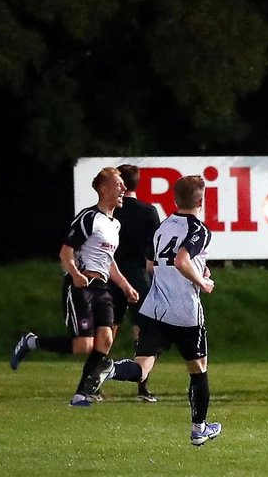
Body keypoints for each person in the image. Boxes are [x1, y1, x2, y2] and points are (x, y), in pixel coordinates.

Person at [10, 167, 140, 406]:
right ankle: (31, 342)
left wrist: (125, 285)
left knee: (106, 340)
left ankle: (81, 393)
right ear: (103, 188)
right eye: (118, 184)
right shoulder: (88, 217)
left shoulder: (115, 225)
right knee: (84, 345)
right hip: (82, 286)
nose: (123, 188)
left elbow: (108, 261)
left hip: (103, 289)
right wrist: (76, 274)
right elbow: (65, 252)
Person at [130, 175, 223, 444]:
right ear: (201, 200)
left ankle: (109, 370)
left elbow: (153, 264)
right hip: (184, 311)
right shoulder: (200, 229)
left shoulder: (163, 227)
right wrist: (202, 281)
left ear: (174, 199)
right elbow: (182, 259)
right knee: (198, 369)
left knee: (141, 369)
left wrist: (196, 267)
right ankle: (198, 429)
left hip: (156, 307)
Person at [110, 163, 162, 402]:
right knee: (143, 331)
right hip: (139, 275)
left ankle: (94, 382)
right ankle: (142, 386)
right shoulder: (148, 211)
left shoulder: (111, 210)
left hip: (111, 274)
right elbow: (153, 253)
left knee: (108, 330)